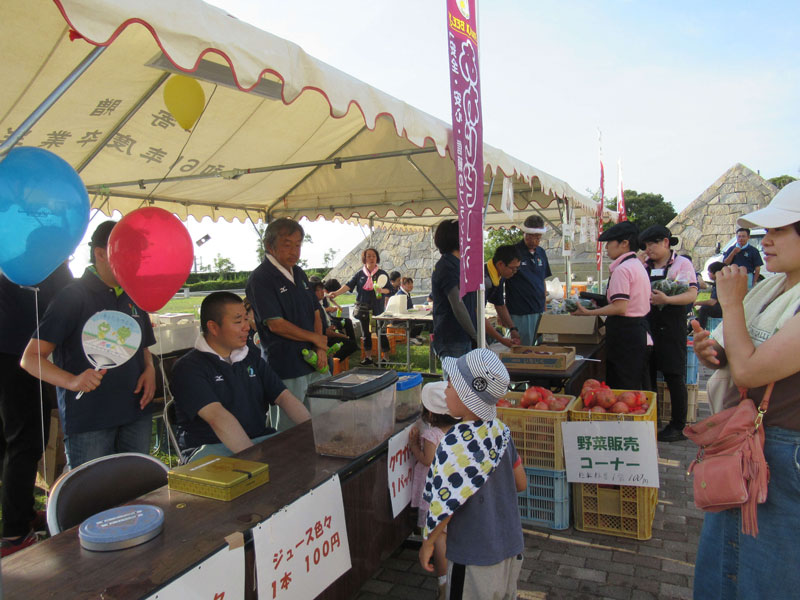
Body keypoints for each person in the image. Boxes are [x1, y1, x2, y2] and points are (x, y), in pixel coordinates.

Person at [691, 180, 800, 598]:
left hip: (783, 454)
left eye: (778, 231)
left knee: (764, 574)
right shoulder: (775, 286)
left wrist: (732, 302)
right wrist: (709, 350)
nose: (765, 241)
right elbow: (733, 354)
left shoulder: (758, 291)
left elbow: (751, 371)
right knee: (725, 566)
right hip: (746, 441)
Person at [20, 221, 156, 470]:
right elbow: (31, 358)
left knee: (136, 490)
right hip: (91, 420)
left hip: (136, 412)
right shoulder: (72, 296)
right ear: (101, 254)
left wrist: (150, 368)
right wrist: (72, 381)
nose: (135, 262)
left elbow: (143, 344)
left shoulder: (132, 294)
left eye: (139, 255)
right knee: (94, 497)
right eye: (127, 254)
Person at [419, 349, 526, 600]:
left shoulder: (455, 443)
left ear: (467, 397)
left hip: (473, 555)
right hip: (510, 547)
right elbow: (521, 483)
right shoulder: (501, 432)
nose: (445, 390)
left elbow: (447, 503)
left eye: (450, 385)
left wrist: (428, 543)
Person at [171, 292, 310, 462]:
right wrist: (255, 462)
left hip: (257, 440)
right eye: (238, 321)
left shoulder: (250, 356)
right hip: (211, 452)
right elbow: (218, 418)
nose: (246, 326)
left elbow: (284, 397)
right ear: (213, 327)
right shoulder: (188, 368)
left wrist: (313, 433)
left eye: (246, 319)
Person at [0, 263, 72, 557]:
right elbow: (70, 298)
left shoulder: (11, 251)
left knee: (11, 439)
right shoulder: (48, 259)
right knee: (26, 440)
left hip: (13, 350)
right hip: (19, 355)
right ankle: (15, 532)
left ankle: (22, 513)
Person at [246, 218, 328, 429]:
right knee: (288, 430)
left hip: (314, 362)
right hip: (285, 365)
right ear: (270, 246)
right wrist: (315, 338)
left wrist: (319, 347)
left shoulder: (299, 273)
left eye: (298, 244)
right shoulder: (261, 279)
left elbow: (315, 311)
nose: (294, 251)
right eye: (287, 244)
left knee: (324, 418)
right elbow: (275, 324)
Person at [572, 221, 652, 390]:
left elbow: (620, 307)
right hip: (639, 330)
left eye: (609, 243)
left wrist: (588, 313)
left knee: (623, 386)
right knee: (637, 385)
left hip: (626, 334)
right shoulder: (637, 265)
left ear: (624, 243)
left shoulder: (623, 270)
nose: (606, 248)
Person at [639, 225, 698, 442]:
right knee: (649, 373)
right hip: (648, 325)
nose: (649, 249)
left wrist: (667, 300)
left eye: (652, 244)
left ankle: (678, 425)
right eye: (645, 246)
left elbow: (691, 294)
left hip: (671, 326)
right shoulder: (644, 264)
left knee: (674, 375)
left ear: (666, 242)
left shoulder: (682, 264)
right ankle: (653, 420)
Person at [408, 381, 460, 600]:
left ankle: (443, 580)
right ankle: (452, 576)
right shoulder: (458, 430)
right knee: (447, 534)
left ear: (429, 412)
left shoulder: (431, 436)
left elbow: (428, 460)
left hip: (434, 493)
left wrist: (413, 447)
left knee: (437, 537)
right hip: (452, 491)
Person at [328, 248, 391, 365]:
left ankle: (385, 357)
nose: (371, 258)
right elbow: (348, 285)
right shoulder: (360, 274)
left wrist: (381, 290)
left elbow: (390, 290)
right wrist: (336, 293)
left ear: (377, 258)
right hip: (363, 309)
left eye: (373, 256)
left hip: (378, 310)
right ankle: (368, 358)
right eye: (369, 256)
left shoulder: (382, 274)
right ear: (364, 259)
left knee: (380, 333)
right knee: (365, 333)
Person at [430, 220, 477, 359]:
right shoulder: (447, 267)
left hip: (463, 335)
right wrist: (475, 335)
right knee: (456, 380)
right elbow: (458, 304)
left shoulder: (460, 264)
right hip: (452, 337)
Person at [505, 215, 552, 345]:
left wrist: (544, 305)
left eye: (537, 237)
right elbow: (502, 281)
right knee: (522, 349)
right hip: (520, 312)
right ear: (524, 233)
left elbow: (542, 279)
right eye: (530, 236)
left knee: (541, 348)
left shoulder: (541, 253)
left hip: (539, 309)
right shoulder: (513, 252)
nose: (534, 241)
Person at [484, 244, 523, 349]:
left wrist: (513, 329)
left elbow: (500, 305)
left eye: (517, 269)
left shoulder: (499, 277)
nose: (514, 272)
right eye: (512, 268)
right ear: (500, 264)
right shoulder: (484, 279)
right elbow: (477, 315)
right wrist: (502, 340)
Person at [310, 280, 359, 363]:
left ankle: (331, 360)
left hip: (327, 330)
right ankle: (329, 361)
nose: (322, 292)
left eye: (322, 289)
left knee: (346, 323)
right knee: (351, 344)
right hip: (323, 338)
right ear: (312, 292)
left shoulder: (318, 305)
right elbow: (326, 332)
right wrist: (343, 336)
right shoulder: (314, 308)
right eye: (319, 290)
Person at [694, 261, 725, 329]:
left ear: (716, 273)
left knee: (704, 309)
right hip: (722, 307)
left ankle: (701, 330)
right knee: (699, 313)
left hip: (723, 309)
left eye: (709, 272)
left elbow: (712, 302)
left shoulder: (720, 284)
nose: (708, 273)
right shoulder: (718, 282)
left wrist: (696, 302)